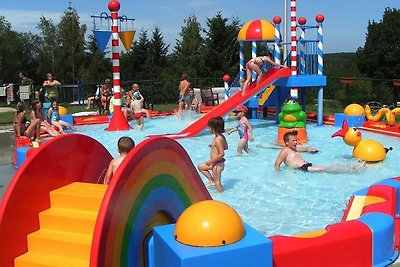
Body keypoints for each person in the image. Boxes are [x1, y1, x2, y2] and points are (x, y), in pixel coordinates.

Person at [274, 130, 365, 172]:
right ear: (286, 142)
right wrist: (278, 174)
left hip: (307, 165)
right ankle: (353, 170)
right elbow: (277, 164)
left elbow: (302, 149)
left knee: (328, 167)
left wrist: (309, 149)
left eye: (296, 140)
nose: (296, 142)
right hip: (301, 169)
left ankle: (352, 168)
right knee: (328, 169)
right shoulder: (285, 151)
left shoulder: (294, 148)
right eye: (293, 141)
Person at [198, 117, 228, 192]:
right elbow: (226, 147)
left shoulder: (217, 140)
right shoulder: (220, 137)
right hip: (216, 163)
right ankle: (211, 181)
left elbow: (222, 154)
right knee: (201, 167)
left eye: (210, 127)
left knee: (217, 182)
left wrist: (211, 161)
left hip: (217, 164)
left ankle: (221, 197)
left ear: (215, 128)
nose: (209, 129)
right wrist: (213, 146)